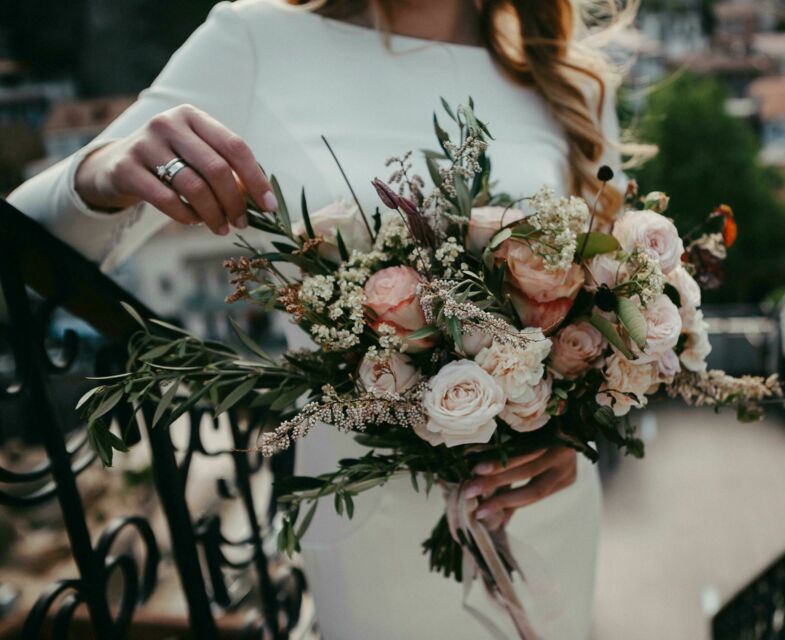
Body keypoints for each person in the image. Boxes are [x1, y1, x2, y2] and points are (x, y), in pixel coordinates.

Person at [9, 1, 631, 637]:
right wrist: (104, 171)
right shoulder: (254, 39)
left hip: (542, 500)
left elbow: (618, 302)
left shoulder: (572, 84)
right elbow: (20, 237)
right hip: (366, 514)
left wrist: (579, 429)